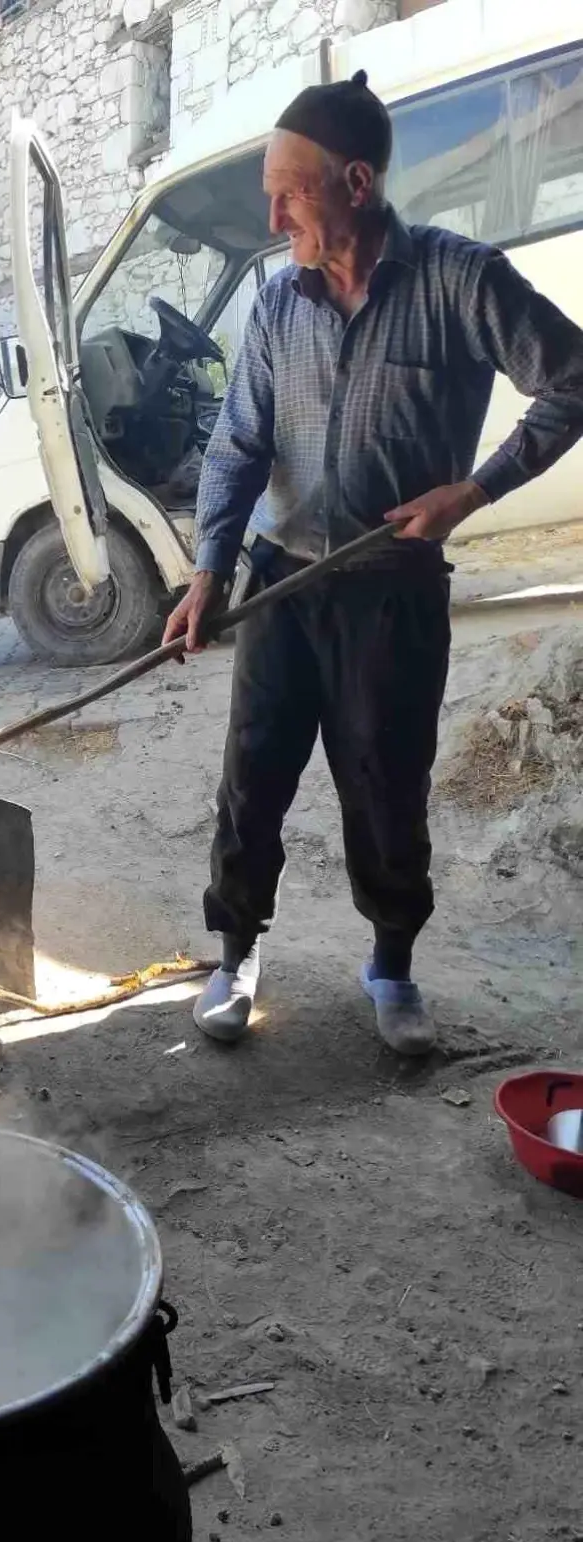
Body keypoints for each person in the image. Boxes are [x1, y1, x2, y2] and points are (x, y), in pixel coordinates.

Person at [164, 69, 583, 1056]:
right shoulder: (274, 309)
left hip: (393, 593)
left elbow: (572, 379)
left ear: (356, 183)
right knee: (253, 777)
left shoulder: (460, 279)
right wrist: (209, 570)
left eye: (288, 191)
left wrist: (474, 490)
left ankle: (390, 966)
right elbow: (237, 448)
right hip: (283, 582)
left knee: (387, 782)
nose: (272, 214)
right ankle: (236, 957)